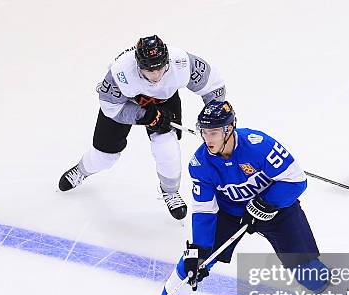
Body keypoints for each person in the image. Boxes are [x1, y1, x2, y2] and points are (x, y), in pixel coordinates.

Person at [137, 100, 349, 295]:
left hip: (278, 211)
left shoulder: (259, 145)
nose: (207, 139)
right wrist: (198, 248)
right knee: (192, 264)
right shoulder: (200, 164)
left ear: (229, 129)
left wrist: (266, 203)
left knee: (308, 272)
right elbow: (204, 210)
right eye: (204, 132)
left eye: (214, 132)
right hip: (230, 214)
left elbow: (296, 181)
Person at [59, 35, 226, 220]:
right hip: (124, 103)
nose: (155, 76)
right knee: (104, 157)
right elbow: (110, 106)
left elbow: (214, 87)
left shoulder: (182, 62)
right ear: (138, 65)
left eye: (160, 69)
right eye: (148, 70)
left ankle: (170, 192)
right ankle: (81, 171)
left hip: (164, 101)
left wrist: (214, 119)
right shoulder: (120, 72)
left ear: (167, 61)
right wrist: (144, 116)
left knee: (167, 149)